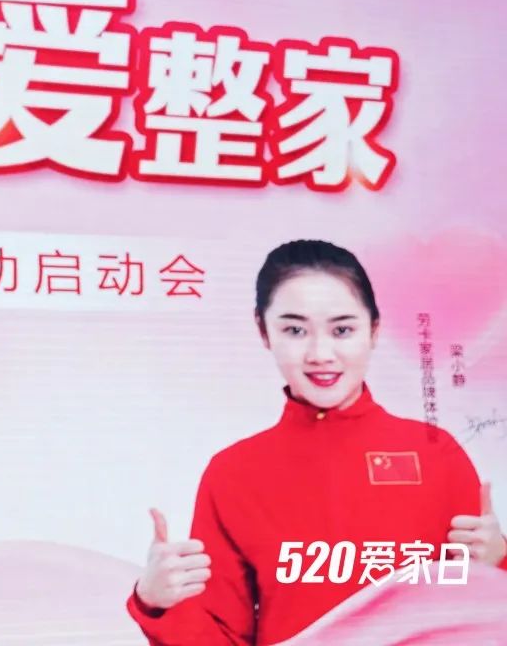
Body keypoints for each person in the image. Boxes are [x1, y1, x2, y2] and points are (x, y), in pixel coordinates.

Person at [128, 239, 507, 645]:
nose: (320, 354)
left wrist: (498, 563)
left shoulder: (435, 453)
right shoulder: (233, 474)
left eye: (342, 330)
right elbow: (222, 637)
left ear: (374, 331)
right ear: (264, 331)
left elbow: (475, 619)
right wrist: (155, 602)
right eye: (294, 330)